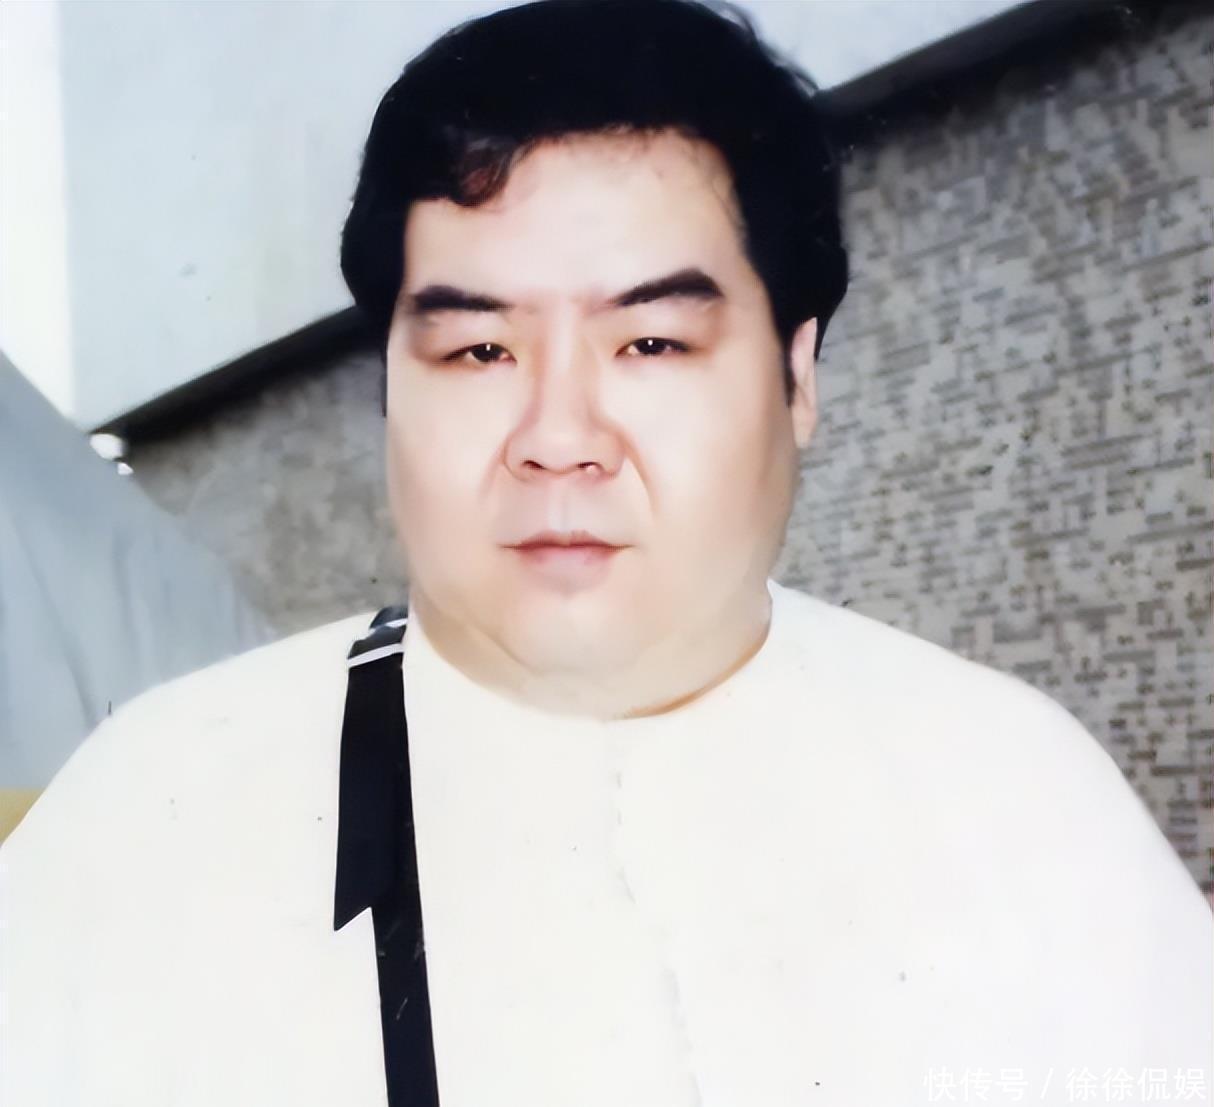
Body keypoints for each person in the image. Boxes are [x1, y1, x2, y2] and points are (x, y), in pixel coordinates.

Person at [2, 1, 1209, 1104]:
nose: (558, 438)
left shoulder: (1015, 802)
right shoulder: (151, 820)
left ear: (794, 379)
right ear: (388, 389)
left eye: (650, 344)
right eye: (479, 351)